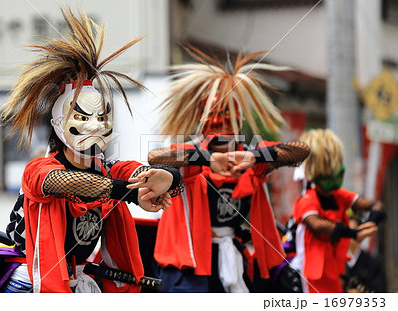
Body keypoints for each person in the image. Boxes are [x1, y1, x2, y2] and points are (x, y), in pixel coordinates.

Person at [0, 8, 182, 293]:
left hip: (80, 280)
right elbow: (71, 183)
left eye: (102, 118)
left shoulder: (107, 169)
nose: (95, 126)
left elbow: (133, 172)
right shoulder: (40, 170)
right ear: (59, 124)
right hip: (31, 280)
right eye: (82, 118)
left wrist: (164, 179)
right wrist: (128, 191)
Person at [149, 45, 310, 293]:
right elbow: (156, 156)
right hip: (188, 265)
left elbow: (300, 150)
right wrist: (208, 158)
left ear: (238, 118)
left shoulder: (249, 156)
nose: (220, 121)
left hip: (232, 256)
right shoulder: (191, 155)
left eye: (226, 113)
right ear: (203, 118)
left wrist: (256, 156)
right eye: (214, 113)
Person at [289, 129, 386, 293]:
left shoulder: (340, 195)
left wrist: (373, 220)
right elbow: (316, 224)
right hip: (311, 271)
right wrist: (352, 233)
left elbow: (373, 205)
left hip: (335, 268)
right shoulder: (307, 199)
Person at [343, 214, 386, 293]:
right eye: (346, 231)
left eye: (353, 230)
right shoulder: (338, 262)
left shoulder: (372, 263)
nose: (350, 234)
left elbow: (381, 292)